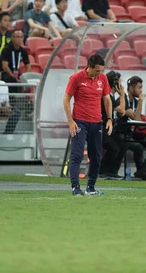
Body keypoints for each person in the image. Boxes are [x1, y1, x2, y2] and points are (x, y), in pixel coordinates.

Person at [63, 53, 112, 195]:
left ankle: (91, 187)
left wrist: (109, 119)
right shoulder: (76, 78)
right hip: (79, 122)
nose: (100, 73)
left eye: (101, 71)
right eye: (97, 71)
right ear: (89, 68)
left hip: (97, 123)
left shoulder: (102, 78)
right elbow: (66, 99)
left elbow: (107, 100)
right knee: (77, 155)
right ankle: (75, 188)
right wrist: (70, 121)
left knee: (96, 157)